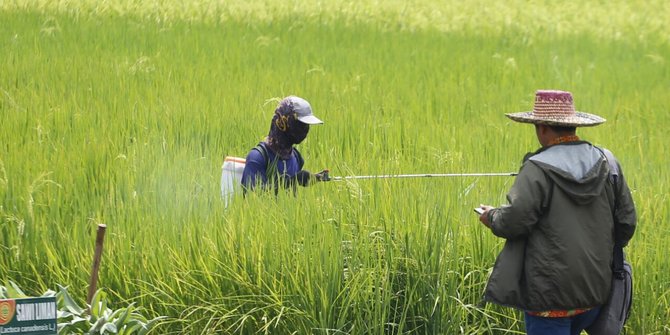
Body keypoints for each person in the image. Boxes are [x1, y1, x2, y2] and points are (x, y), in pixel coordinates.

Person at [477, 90, 636, 335]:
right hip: (595, 292)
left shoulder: (537, 168)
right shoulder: (607, 162)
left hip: (549, 301)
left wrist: (492, 217)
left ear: (541, 128)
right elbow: (626, 223)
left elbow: (513, 222)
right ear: (572, 126)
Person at [241, 96, 330, 195]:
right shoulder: (258, 157)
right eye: (300, 124)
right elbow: (253, 195)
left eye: (307, 125)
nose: (305, 129)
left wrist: (314, 178)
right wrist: (292, 181)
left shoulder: (297, 157)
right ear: (283, 122)